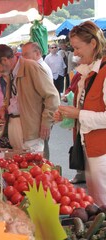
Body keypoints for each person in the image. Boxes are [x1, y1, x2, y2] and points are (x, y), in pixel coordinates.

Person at [54, 21, 106, 206]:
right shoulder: (89, 72)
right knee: (96, 203)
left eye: (77, 47)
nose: (74, 53)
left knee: (101, 203)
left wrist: (78, 114)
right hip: (89, 148)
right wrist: (68, 114)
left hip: (102, 151)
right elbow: (86, 107)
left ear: (93, 43)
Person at [0, 44, 60, 152]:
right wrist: (4, 108)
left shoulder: (31, 66)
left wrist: (47, 121)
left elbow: (52, 95)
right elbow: (13, 98)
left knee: (32, 162)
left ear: (4, 60)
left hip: (30, 128)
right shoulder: (10, 73)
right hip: (15, 124)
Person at [22, 42, 54, 159]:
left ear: (38, 53)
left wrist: (46, 120)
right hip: (40, 116)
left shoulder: (41, 68)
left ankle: (46, 171)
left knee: (42, 149)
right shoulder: (34, 67)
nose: (23, 58)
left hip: (42, 116)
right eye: (22, 55)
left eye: (26, 54)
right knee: (41, 147)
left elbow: (50, 96)